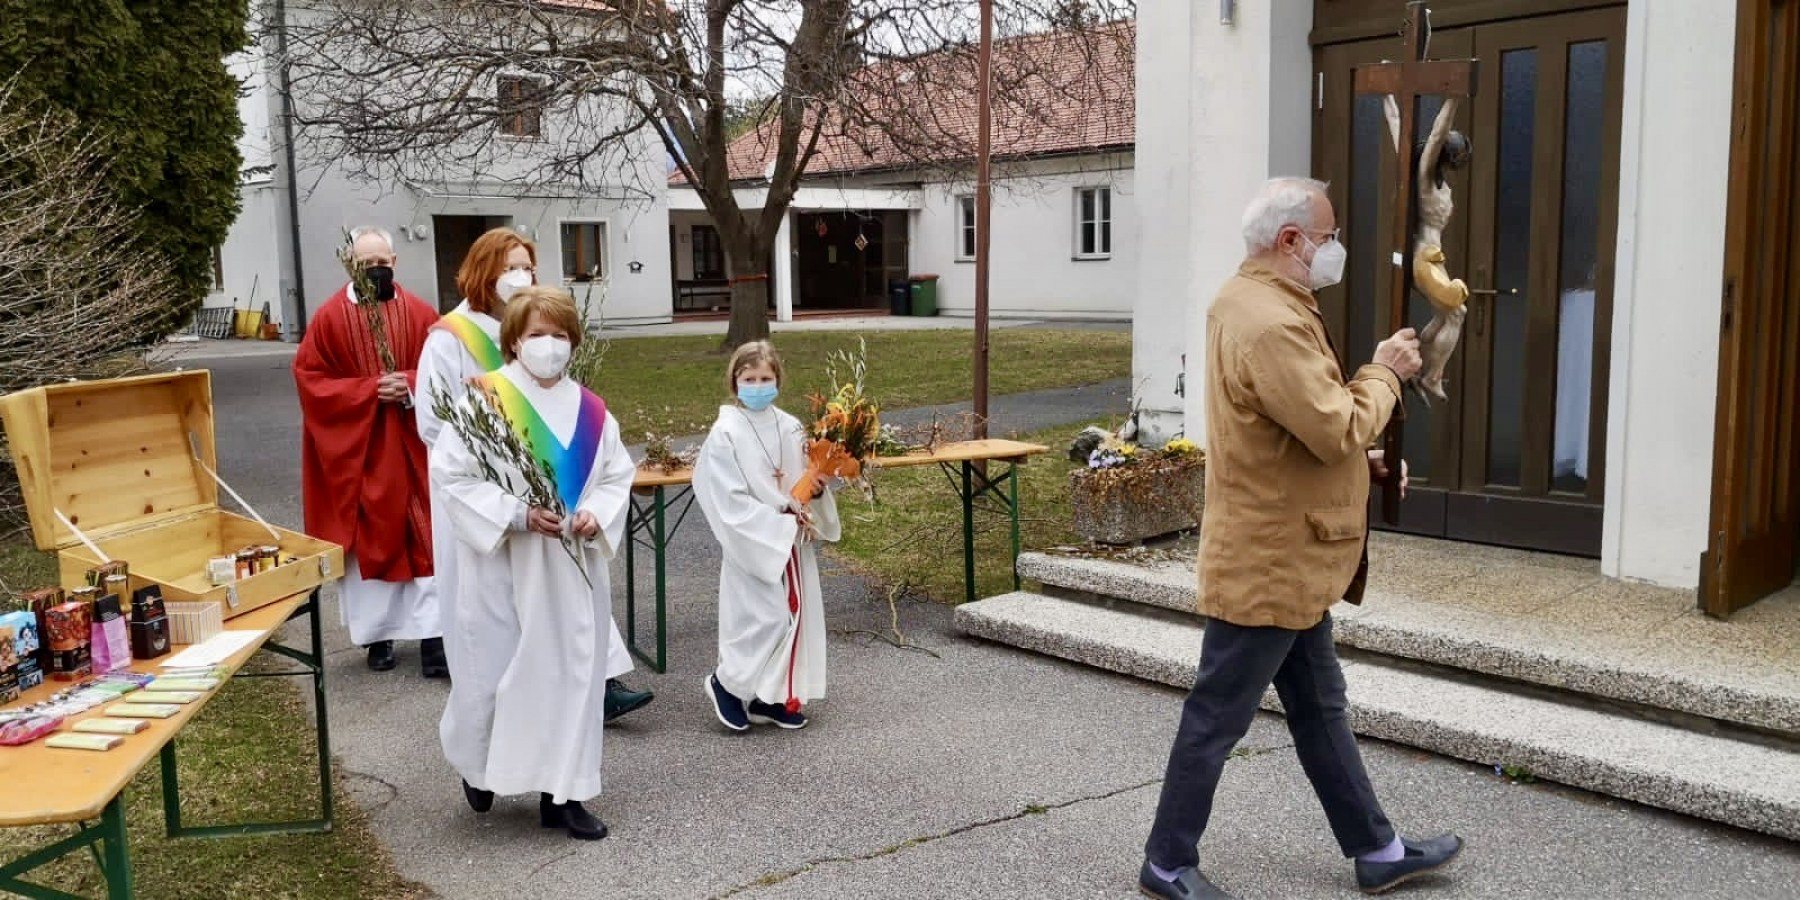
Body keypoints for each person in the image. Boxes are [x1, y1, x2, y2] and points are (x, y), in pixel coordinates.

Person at [1137, 178, 1460, 900]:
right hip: (1270, 561)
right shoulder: (1270, 321)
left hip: (1288, 554)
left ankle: (1377, 850)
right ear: (1291, 242)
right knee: (1217, 717)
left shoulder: (1250, 300)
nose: (1335, 247)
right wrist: (1386, 371)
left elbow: (1281, 431)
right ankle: (1166, 861)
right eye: (1330, 234)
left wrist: (1364, 466)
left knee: (1319, 709)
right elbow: (1335, 422)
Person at [414, 227, 652, 721]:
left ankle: (597, 689)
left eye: (527, 266)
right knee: (494, 625)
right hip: (491, 505)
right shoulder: (450, 337)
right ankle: (489, 736)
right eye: (510, 267)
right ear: (484, 272)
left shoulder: (543, 324)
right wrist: (504, 478)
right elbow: (435, 425)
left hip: (555, 502)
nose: (521, 276)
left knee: (570, 608)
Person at [430, 286, 636, 840]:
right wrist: (516, 514)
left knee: (571, 674)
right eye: (537, 334)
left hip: (571, 569)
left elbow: (617, 474)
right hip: (504, 563)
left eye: (560, 335)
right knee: (496, 674)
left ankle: (562, 793)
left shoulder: (592, 411)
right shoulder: (483, 400)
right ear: (514, 340)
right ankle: (480, 768)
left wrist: (594, 510)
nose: (549, 345)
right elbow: (452, 475)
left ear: (575, 342)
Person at [294, 227, 444, 677]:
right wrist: (367, 391)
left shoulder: (420, 314)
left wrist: (413, 384)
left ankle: (436, 638)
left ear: (394, 262)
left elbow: (445, 369)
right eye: (366, 263)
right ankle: (378, 637)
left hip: (413, 445)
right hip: (360, 450)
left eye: (383, 261)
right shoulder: (330, 318)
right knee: (370, 537)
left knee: (428, 537)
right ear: (351, 265)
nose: (377, 270)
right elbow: (311, 380)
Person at [692, 341, 840, 732]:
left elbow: (803, 477)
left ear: (778, 380)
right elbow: (726, 496)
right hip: (755, 539)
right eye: (749, 378)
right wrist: (775, 521)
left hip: (791, 539)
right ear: (735, 382)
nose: (758, 385)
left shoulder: (791, 426)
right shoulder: (725, 432)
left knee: (794, 616)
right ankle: (727, 683)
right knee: (764, 617)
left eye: (766, 378)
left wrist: (817, 491)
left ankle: (770, 696)